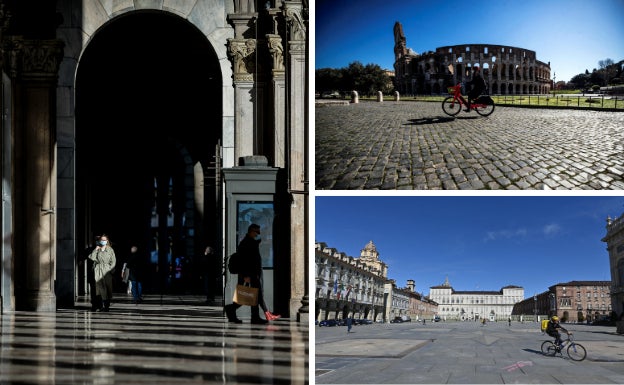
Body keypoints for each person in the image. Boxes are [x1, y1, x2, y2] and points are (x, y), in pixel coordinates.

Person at [224, 224, 281, 324]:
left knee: (256, 295)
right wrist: (246, 275)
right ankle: (231, 308)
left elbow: (260, 243)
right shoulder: (245, 243)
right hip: (249, 274)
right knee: (249, 296)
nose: (258, 234)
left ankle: (256, 316)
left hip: (254, 274)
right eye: (257, 232)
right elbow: (243, 261)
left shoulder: (251, 242)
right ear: (251, 231)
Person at [88, 234, 116, 312]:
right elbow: (92, 257)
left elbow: (113, 261)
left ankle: (106, 305)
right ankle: (102, 305)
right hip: (98, 269)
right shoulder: (97, 249)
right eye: (101, 240)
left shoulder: (110, 250)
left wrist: (110, 269)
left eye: (104, 240)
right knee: (100, 288)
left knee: (108, 288)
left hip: (107, 270)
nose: (103, 241)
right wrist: (96, 249)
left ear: (107, 241)